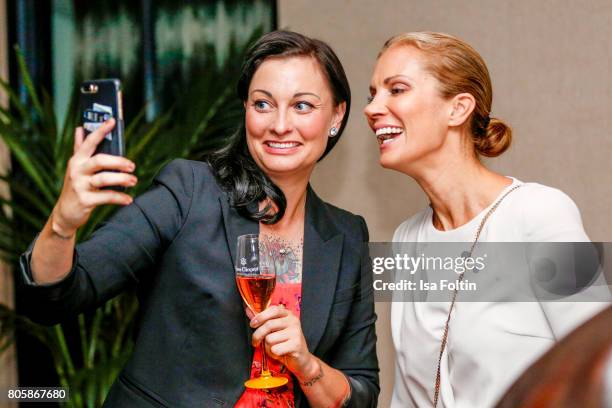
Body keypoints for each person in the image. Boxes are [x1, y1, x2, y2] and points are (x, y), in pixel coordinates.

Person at [18, 30, 379, 407]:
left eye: (302, 106)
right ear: (245, 109)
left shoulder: (347, 234)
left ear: (336, 115)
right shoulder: (190, 191)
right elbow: (55, 299)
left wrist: (306, 365)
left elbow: (362, 392)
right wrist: (62, 224)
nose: (280, 124)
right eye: (263, 104)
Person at [364, 31, 608, 407]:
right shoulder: (406, 239)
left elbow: (599, 365)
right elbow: (408, 396)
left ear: (458, 108)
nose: (373, 108)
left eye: (396, 90)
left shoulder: (538, 214)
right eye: (373, 94)